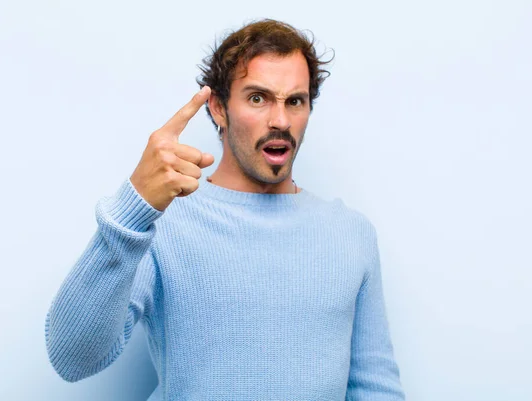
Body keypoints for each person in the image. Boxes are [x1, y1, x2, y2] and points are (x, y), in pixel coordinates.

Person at [45, 18, 405, 400]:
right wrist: (133, 207)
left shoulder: (349, 232)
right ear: (218, 107)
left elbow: (374, 387)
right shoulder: (166, 223)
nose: (280, 120)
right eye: (257, 98)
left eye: (295, 101)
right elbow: (72, 359)